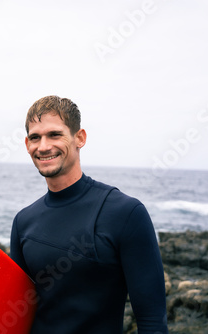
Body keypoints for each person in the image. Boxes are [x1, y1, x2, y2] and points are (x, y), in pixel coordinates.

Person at [10, 95, 168, 333]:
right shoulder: (24, 222)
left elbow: (152, 321)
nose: (43, 146)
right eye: (35, 137)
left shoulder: (125, 213)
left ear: (79, 138)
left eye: (54, 134)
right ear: (27, 144)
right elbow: (14, 311)